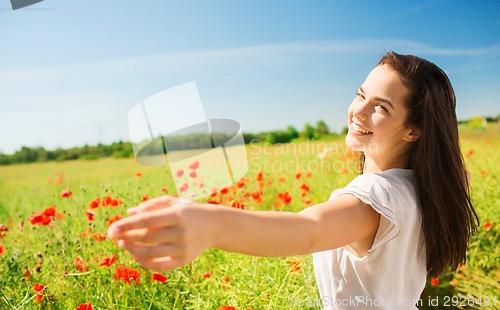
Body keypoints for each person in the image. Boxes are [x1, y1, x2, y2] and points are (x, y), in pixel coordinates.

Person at [107, 52, 478, 309]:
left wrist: (209, 223)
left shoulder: (375, 196)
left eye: (380, 107)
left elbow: (309, 230)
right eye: (361, 96)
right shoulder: (421, 186)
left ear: (413, 130)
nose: (357, 112)